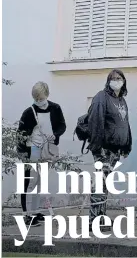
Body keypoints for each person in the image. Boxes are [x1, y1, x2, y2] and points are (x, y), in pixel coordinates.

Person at [16, 81, 66, 227]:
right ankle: (27, 214)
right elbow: (21, 135)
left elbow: (62, 125)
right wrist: (24, 154)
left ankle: (36, 211)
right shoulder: (29, 112)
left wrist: (56, 135)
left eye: (41, 98)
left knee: (40, 184)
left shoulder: (55, 108)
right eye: (36, 99)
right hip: (32, 150)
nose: (39, 101)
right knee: (29, 183)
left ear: (47, 95)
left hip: (48, 149)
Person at [87, 70, 132, 224]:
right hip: (103, 149)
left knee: (105, 184)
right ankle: (94, 219)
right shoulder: (101, 97)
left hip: (116, 150)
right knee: (100, 183)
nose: (116, 81)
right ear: (108, 81)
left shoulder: (121, 100)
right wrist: (97, 147)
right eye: (112, 78)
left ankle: (101, 217)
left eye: (119, 78)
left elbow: (125, 124)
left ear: (124, 81)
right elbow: (95, 122)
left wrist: (127, 146)